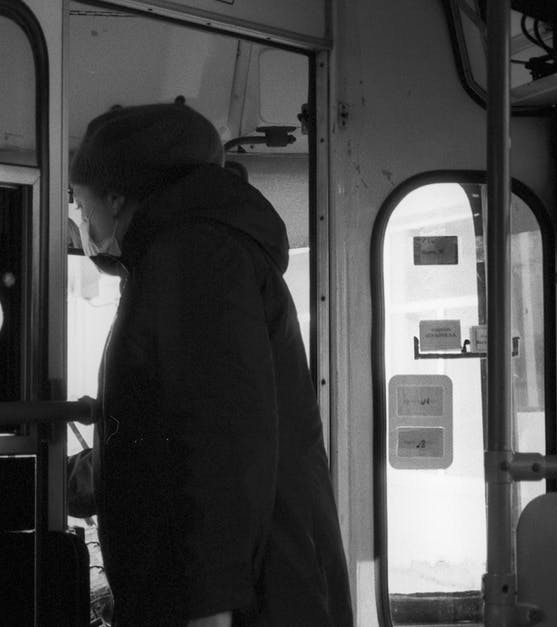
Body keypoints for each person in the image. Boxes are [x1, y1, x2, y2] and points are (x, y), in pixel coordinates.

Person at [68, 103, 352, 626]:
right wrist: (85, 480)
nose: (83, 223)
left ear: (114, 196)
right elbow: (169, 431)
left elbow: (221, 447)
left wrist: (209, 608)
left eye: (82, 208)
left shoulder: (195, 256)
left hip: (246, 603)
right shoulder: (187, 253)